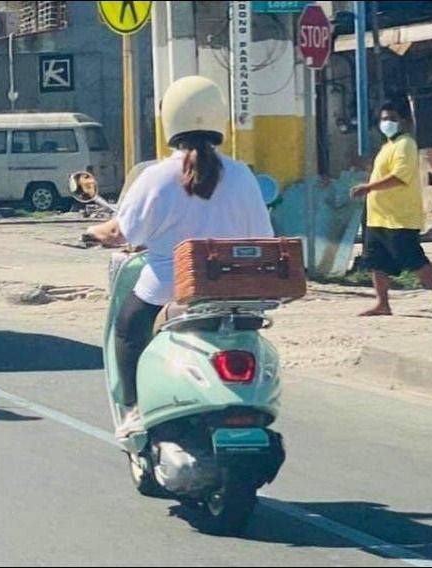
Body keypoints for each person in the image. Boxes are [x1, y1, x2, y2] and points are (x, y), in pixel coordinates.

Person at [84, 76, 274, 439]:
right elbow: (263, 236)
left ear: (169, 119)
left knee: (127, 328)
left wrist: (93, 233)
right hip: (235, 291)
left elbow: (123, 232)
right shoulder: (242, 175)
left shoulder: (156, 177)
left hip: (169, 289)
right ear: (219, 117)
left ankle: (135, 410)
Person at [349, 98, 432, 316]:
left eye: (392, 119)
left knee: (413, 259)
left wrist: (368, 187)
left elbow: (399, 177)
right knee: (376, 260)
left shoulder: (406, 144)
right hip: (378, 216)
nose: (387, 123)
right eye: (383, 119)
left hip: (399, 217)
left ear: (404, 121)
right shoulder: (388, 146)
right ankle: (383, 303)